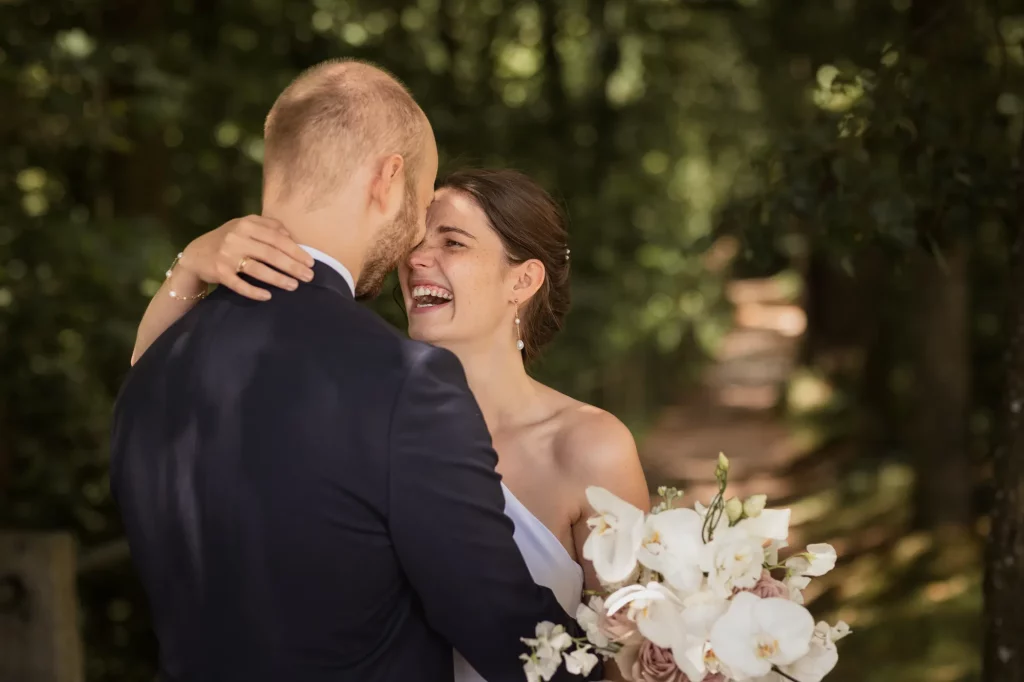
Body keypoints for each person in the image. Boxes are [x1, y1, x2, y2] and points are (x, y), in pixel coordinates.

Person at [112, 59, 606, 682]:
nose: (413, 250)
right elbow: (501, 626)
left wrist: (186, 269)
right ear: (388, 179)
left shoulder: (154, 372)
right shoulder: (405, 384)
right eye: (422, 203)